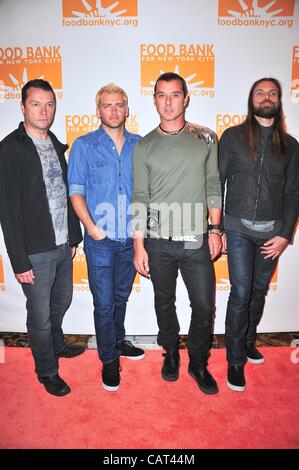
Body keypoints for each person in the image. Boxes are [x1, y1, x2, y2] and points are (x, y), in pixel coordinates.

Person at [132, 72, 222, 395]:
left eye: (174, 95)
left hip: (197, 238)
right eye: (161, 95)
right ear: (154, 99)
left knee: (203, 305)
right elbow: (140, 197)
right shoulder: (144, 146)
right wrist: (138, 245)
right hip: (158, 243)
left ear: (186, 99)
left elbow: (213, 185)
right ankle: (171, 352)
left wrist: (215, 229)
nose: (168, 101)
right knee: (163, 302)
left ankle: (198, 362)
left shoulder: (207, 139)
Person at [0, 79, 84, 397]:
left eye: (49, 104)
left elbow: (66, 195)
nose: (43, 110)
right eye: (36, 104)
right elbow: (7, 212)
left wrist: (73, 239)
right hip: (34, 252)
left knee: (61, 302)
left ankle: (56, 345)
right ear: (23, 107)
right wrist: (19, 261)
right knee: (39, 316)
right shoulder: (10, 149)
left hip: (63, 245)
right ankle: (46, 370)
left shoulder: (56, 144)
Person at [219, 77, 299, 392]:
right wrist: (217, 228)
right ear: (251, 99)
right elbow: (218, 183)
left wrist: (284, 234)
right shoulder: (233, 137)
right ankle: (235, 360)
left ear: (279, 100)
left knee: (258, 291)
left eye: (272, 93)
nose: (266, 97)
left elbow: (294, 193)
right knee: (240, 293)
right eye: (260, 92)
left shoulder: (291, 146)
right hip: (237, 228)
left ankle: (249, 340)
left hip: (272, 233)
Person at [68, 83, 144, 393]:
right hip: (100, 240)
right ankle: (109, 360)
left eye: (119, 105)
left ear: (127, 109)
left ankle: (118, 340)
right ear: (98, 111)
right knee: (103, 303)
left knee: (121, 297)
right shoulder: (84, 145)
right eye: (107, 105)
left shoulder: (140, 145)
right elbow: (76, 192)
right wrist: (93, 228)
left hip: (130, 237)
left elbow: (145, 192)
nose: (113, 110)